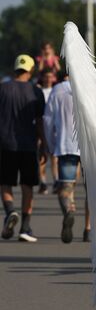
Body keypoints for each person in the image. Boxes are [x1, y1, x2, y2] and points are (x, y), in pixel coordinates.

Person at [0, 54, 46, 243]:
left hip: (5, 143)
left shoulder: (2, 88)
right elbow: (40, 122)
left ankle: (11, 211)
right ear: (31, 70)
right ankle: (25, 228)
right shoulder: (36, 92)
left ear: (15, 69)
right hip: (28, 145)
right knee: (28, 185)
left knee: (5, 183)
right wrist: (44, 144)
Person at [42, 74, 91, 243]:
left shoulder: (57, 90)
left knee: (65, 186)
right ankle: (88, 229)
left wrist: (50, 143)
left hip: (66, 145)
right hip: (89, 147)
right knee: (90, 190)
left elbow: (47, 120)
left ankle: (69, 209)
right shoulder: (89, 88)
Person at [37, 69, 58, 195]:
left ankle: (56, 180)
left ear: (54, 78)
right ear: (43, 78)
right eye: (46, 77)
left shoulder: (56, 91)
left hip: (54, 127)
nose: (48, 79)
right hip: (41, 126)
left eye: (51, 77)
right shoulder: (39, 91)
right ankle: (43, 182)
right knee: (41, 155)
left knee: (54, 156)